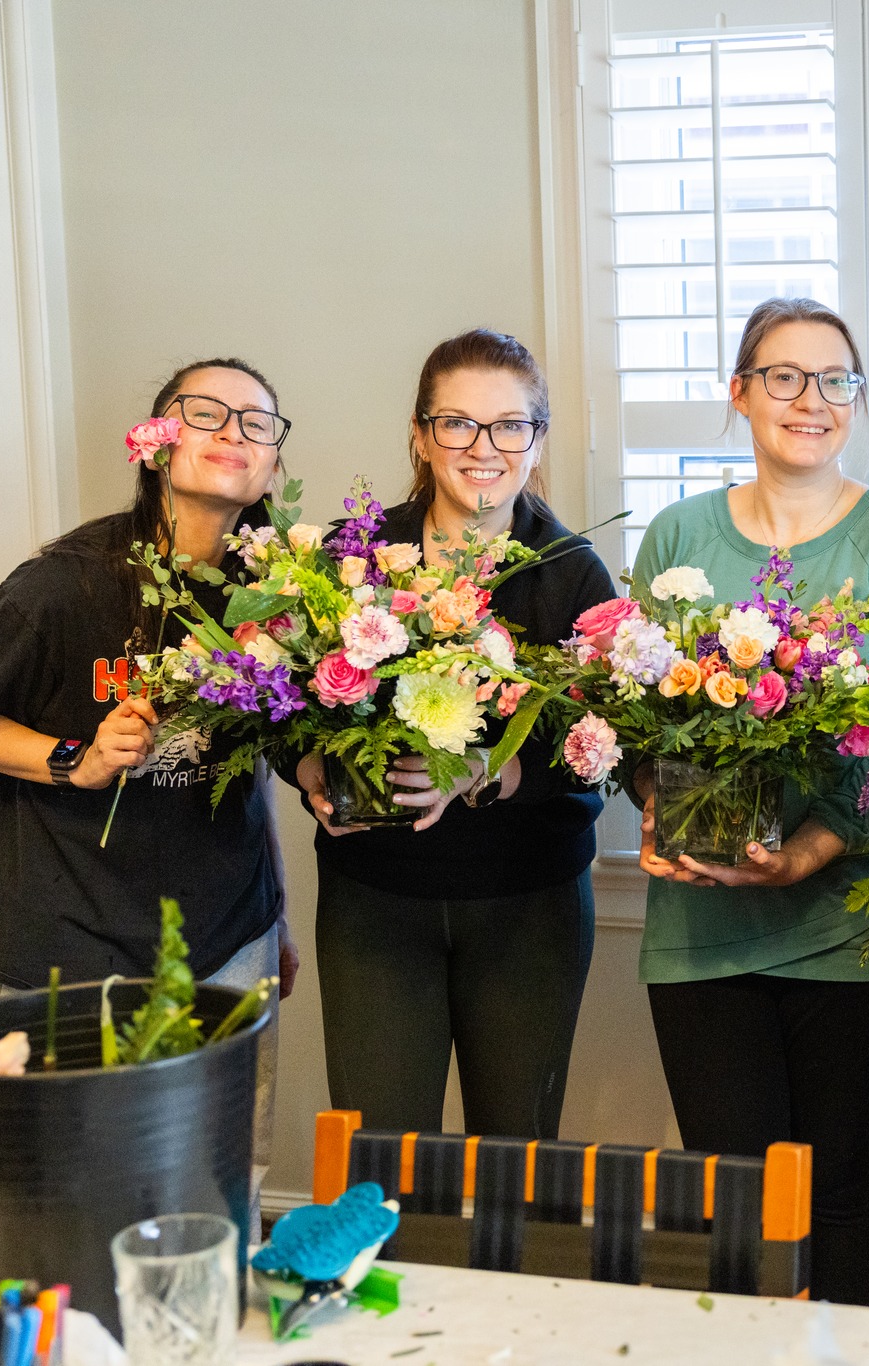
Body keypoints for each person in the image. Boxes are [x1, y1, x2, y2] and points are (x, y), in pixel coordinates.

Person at [631, 297, 869, 1305]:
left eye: (834, 380)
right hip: (700, 927)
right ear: (739, 392)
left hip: (847, 925)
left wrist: (817, 844)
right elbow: (631, 711)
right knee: (731, 1205)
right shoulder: (677, 535)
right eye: (783, 376)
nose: (809, 400)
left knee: (835, 1196)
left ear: (856, 401)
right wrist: (656, 798)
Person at [292, 328, 613, 1139]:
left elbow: (598, 741)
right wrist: (304, 766)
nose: (484, 447)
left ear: (537, 441)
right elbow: (275, 700)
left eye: (511, 425)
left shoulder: (571, 571)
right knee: (379, 1160)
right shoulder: (352, 555)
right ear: (420, 434)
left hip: (527, 907)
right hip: (375, 904)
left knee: (516, 1160)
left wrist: (486, 769)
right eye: (457, 423)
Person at [0, 359, 295, 999]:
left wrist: (275, 910)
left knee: (235, 1107)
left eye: (256, 425)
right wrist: (78, 760)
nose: (233, 433)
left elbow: (251, 773)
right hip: (76, 951)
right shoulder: (64, 583)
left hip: (231, 942)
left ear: (272, 471)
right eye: (205, 415)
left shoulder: (271, 592)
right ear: (154, 448)